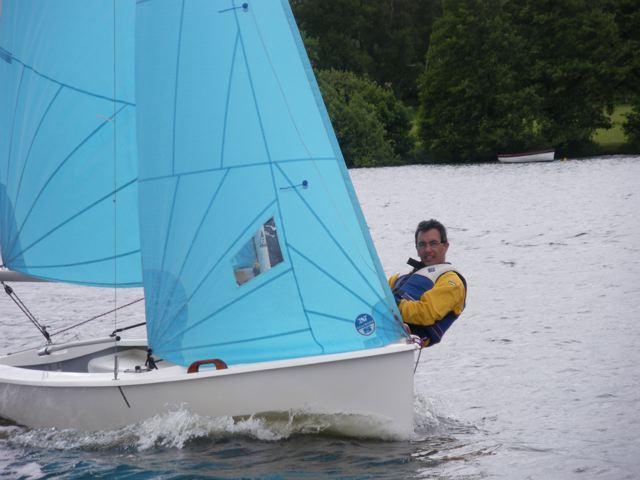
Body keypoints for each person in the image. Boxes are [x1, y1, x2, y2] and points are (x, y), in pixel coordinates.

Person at [388, 219, 467, 347]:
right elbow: (376, 294)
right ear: (417, 249)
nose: (428, 249)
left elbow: (427, 312)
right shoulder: (399, 276)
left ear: (445, 246)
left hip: (405, 341)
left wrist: (392, 307)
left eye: (433, 243)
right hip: (379, 331)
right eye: (422, 244)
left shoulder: (452, 281)